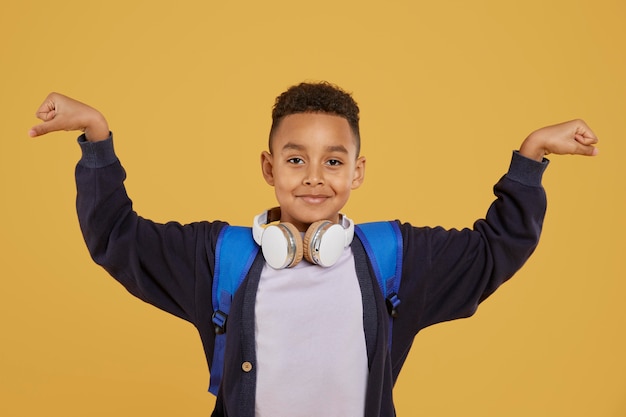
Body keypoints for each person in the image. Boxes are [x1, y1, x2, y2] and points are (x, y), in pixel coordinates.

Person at [29, 82, 598, 417]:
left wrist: (532, 156)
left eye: (334, 160)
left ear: (358, 171)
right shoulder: (219, 257)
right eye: (295, 158)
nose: (314, 177)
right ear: (268, 167)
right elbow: (117, 238)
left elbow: (492, 251)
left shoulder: (393, 258)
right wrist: (96, 138)